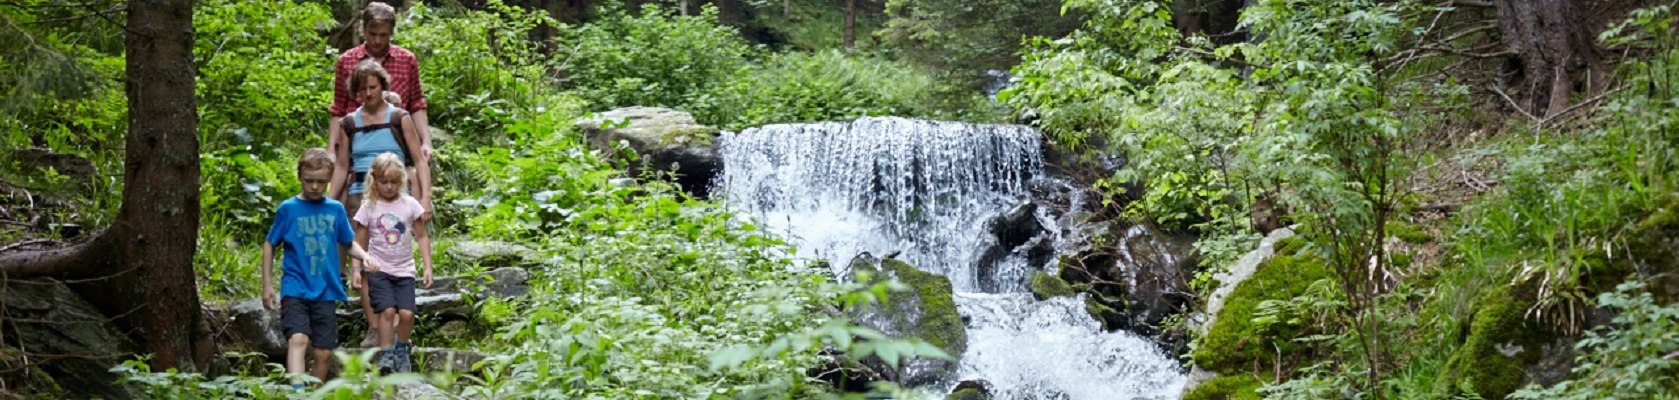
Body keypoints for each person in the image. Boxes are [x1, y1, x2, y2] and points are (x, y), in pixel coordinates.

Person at [330, 58, 432, 348]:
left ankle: (396, 330)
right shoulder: (349, 123)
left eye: (373, 87)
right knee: (365, 259)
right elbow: (341, 165)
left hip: (397, 196)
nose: (368, 93)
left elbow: (418, 159)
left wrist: (424, 198)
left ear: (382, 85)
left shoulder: (400, 117)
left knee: (396, 250)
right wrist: (328, 200)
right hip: (360, 196)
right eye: (362, 89)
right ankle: (374, 327)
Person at [261, 148, 381, 388]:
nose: (315, 186)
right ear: (300, 177)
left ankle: (315, 391)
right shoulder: (288, 208)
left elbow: (348, 243)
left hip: (325, 289)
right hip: (295, 287)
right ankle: (296, 391)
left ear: (329, 180)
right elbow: (269, 244)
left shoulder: (335, 209)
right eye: (309, 181)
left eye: (321, 182)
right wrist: (267, 285)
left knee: (324, 353)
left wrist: (365, 256)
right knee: (298, 338)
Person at [328, 1, 433, 218]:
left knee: (409, 184)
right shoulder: (347, 61)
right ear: (363, 30)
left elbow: (416, 104)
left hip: (396, 139)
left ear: (392, 32)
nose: (377, 40)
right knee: (346, 196)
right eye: (372, 34)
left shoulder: (406, 59)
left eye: (383, 35)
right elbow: (338, 109)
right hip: (355, 138)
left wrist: (426, 141)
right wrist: (332, 149)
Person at [352, 152, 434, 373]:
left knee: (407, 314)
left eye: (394, 182)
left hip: (404, 270)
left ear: (401, 181)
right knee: (387, 312)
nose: (389, 187)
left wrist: (427, 267)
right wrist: (356, 269)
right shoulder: (369, 206)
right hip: (378, 268)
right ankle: (386, 354)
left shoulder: (409, 205)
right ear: (374, 181)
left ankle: (402, 349)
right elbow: (358, 240)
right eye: (384, 182)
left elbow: (422, 236)